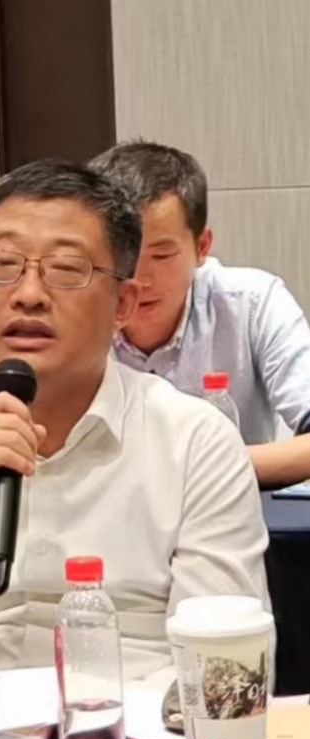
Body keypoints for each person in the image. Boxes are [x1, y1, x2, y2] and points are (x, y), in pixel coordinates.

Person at [0, 159, 269, 681]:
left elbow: (226, 668)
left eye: (67, 270)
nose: (28, 294)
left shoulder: (196, 442)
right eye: (1, 264)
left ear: (123, 303)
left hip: (134, 725)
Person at [90, 140, 310, 487]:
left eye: (161, 255)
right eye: (122, 256)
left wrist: (200, 469)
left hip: (238, 507)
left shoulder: (253, 302)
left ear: (201, 246)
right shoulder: (75, 313)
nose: (139, 280)